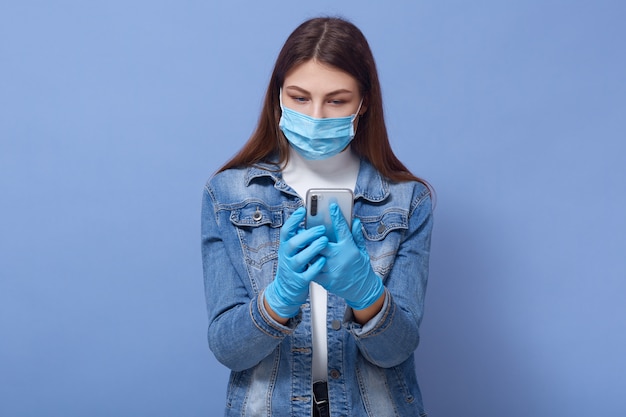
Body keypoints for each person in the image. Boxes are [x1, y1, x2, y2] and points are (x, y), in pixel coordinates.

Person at [201, 16, 433, 417]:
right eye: (300, 97)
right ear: (278, 97)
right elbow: (228, 350)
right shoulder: (228, 195)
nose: (317, 116)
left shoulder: (407, 199)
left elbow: (396, 351)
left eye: (337, 100)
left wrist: (366, 293)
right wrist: (279, 299)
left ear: (364, 103)